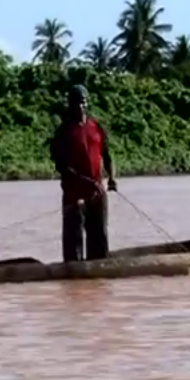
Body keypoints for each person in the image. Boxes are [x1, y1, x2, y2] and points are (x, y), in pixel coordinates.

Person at [49, 84, 118, 263]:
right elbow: (62, 167)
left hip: (97, 194)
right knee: (74, 243)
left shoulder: (96, 127)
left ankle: (97, 281)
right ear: (70, 106)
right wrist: (87, 182)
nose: (80, 107)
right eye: (76, 103)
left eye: (83, 102)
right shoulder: (63, 132)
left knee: (100, 239)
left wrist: (111, 178)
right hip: (74, 197)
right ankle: (73, 274)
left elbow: (108, 156)